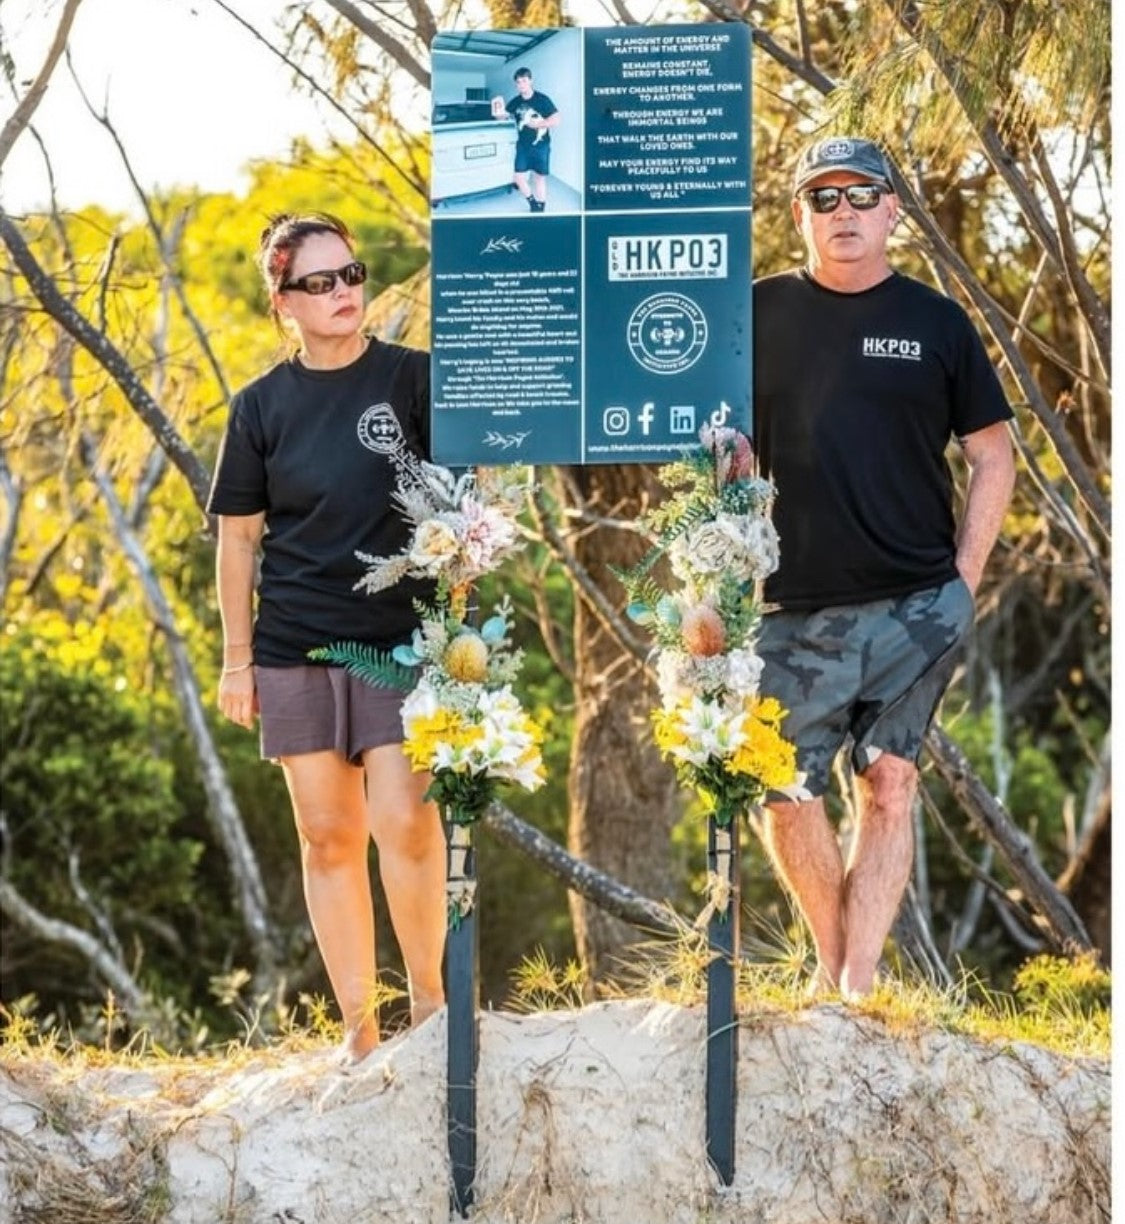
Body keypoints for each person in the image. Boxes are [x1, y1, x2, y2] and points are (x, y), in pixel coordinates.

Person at [753, 137, 1016, 998]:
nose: (842, 214)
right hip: (789, 605)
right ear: (799, 216)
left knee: (890, 783)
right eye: (821, 198)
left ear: (892, 211)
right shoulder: (754, 314)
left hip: (916, 606)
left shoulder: (936, 322)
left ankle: (855, 985)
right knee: (784, 790)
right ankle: (835, 971)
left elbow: (991, 455)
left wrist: (962, 584)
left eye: (860, 196)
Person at [208, 213, 446, 1063]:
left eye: (352, 274)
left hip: (400, 642)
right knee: (326, 835)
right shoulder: (260, 408)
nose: (344, 292)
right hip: (295, 643)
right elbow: (238, 542)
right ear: (282, 301)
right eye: (321, 282)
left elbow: (473, 479)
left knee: (405, 821)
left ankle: (430, 1011)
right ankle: (359, 1032)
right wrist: (238, 662)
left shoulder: (416, 380)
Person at [491, 66, 560, 212]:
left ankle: (540, 207)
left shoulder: (543, 99)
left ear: (530, 81)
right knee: (519, 178)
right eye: (518, 82)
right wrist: (497, 109)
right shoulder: (515, 102)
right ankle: (532, 203)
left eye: (523, 81)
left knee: (539, 178)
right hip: (522, 146)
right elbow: (503, 117)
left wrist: (539, 124)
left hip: (541, 146)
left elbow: (556, 120)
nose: (521, 84)